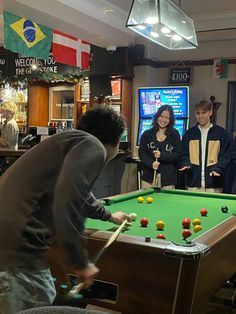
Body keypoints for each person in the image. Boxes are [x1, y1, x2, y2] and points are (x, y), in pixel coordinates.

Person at [0, 105, 130, 314]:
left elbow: (79, 194)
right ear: (117, 141)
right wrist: (79, 262)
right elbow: (68, 200)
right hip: (16, 255)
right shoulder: (93, 146)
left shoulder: (70, 142)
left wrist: (108, 215)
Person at [179, 100, 230, 193]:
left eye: (203, 112)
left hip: (214, 185)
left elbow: (225, 156)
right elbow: (183, 154)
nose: (200, 116)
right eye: (198, 113)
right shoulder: (189, 133)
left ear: (210, 112)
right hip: (193, 184)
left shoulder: (221, 133)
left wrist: (218, 169)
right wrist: (186, 164)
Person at [138, 104, 181, 189]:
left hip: (168, 179)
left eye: (167, 118)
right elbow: (141, 153)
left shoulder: (175, 134)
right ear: (157, 116)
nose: (163, 120)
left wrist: (161, 155)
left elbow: (177, 155)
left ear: (170, 120)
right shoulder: (147, 134)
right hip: (149, 178)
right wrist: (151, 164)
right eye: (161, 116)